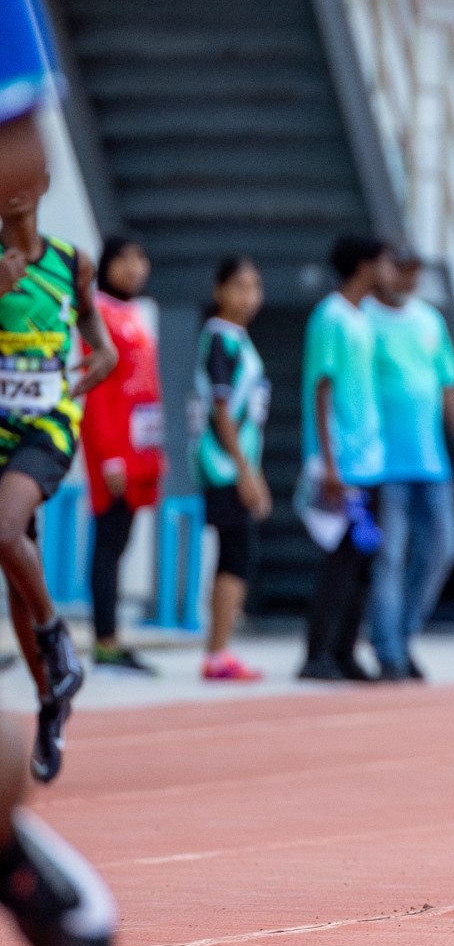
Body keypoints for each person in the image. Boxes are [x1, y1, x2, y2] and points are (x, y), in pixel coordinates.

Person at [0, 0, 119, 946]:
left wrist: (68, 387)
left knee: (3, 532)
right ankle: (50, 686)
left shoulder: (62, 264)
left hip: (43, 428)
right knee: (7, 555)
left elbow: (107, 348)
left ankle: (52, 640)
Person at [367, 255, 454, 681]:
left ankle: (403, 632)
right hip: (382, 462)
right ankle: (389, 651)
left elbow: (448, 384)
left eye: (414, 271)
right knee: (390, 556)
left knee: (441, 549)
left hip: (430, 459)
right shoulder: (365, 320)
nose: (407, 278)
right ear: (381, 269)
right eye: (399, 268)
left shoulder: (429, 320)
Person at [298, 235, 393, 681]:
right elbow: (322, 388)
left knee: (362, 564)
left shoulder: (363, 317)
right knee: (338, 563)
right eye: (384, 263)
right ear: (364, 266)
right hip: (343, 464)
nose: (390, 273)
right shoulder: (329, 318)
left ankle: (345, 651)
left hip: (370, 459)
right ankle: (317, 654)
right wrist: (329, 463)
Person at [79, 236, 162, 674]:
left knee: (121, 540)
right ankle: (105, 641)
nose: (135, 267)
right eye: (125, 259)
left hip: (139, 450)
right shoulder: (98, 315)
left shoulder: (136, 314)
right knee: (108, 543)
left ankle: (112, 637)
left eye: (141, 257)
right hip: (114, 452)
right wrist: (110, 456)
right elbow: (99, 392)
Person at [191, 257, 271, 681]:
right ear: (219, 290)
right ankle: (217, 651)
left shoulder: (238, 339)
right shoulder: (220, 338)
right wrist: (245, 471)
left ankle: (219, 648)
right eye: (240, 285)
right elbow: (221, 411)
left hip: (236, 463)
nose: (249, 295)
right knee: (235, 551)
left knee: (237, 551)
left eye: (256, 286)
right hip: (222, 465)